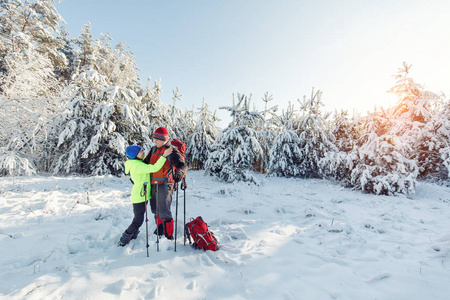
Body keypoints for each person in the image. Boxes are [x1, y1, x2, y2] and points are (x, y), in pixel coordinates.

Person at [118, 144, 173, 247]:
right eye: (140, 151)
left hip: (142, 195)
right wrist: (164, 156)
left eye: (142, 150)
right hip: (139, 197)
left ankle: (132, 235)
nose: (143, 152)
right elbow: (155, 168)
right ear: (135, 155)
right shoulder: (138, 165)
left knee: (138, 219)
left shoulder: (136, 163)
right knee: (138, 220)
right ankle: (125, 238)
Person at [143, 127, 188, 240]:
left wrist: (179, 173)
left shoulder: (172, 151)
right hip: (153, 184)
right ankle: (160, 228)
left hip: (166, 184)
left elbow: (184, 166)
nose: (154, 141)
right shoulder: (153, 149)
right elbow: (144, 164)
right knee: (155, 209)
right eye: (154, 139)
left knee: (164, 210)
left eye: (157, 139)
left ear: (163, 139)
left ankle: (169, 235)